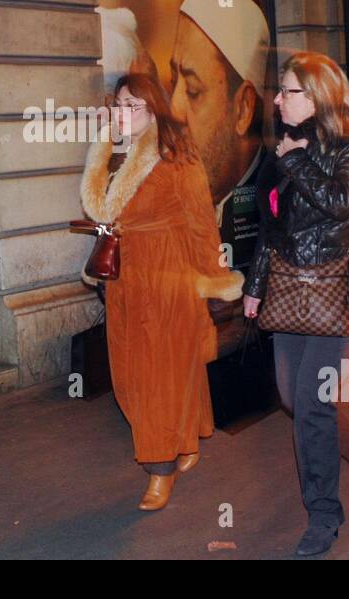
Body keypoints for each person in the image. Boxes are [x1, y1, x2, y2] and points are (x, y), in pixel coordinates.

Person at [80, 72, 244, 511]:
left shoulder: (178, 160)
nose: (122, 113)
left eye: (132, 106)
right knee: (130, 377)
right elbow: (97, 209)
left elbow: (202, 226)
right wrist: (102, 144)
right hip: (125, 284)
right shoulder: (123, 156)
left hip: (168, 280)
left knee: (156, 379)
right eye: (118, 105)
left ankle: (160, 469)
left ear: (154, 113)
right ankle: (184, 438)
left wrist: (213, 282)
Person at [242, 51, 349, 557]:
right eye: (279, 91)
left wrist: (296, 159)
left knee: (313, 404)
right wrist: (255, 283)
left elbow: (342, 206)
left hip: (339, 291)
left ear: (316, 96)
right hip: (289, 289)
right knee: (293, 400)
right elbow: (272, 228)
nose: (276, 100)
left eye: (288, 92)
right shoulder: (279, 149)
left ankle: (323, 515)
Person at [167, 0, 269, 268]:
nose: (174, 109)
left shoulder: (272, 187)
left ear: (243, 109)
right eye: (174, 81)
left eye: (193, 89)